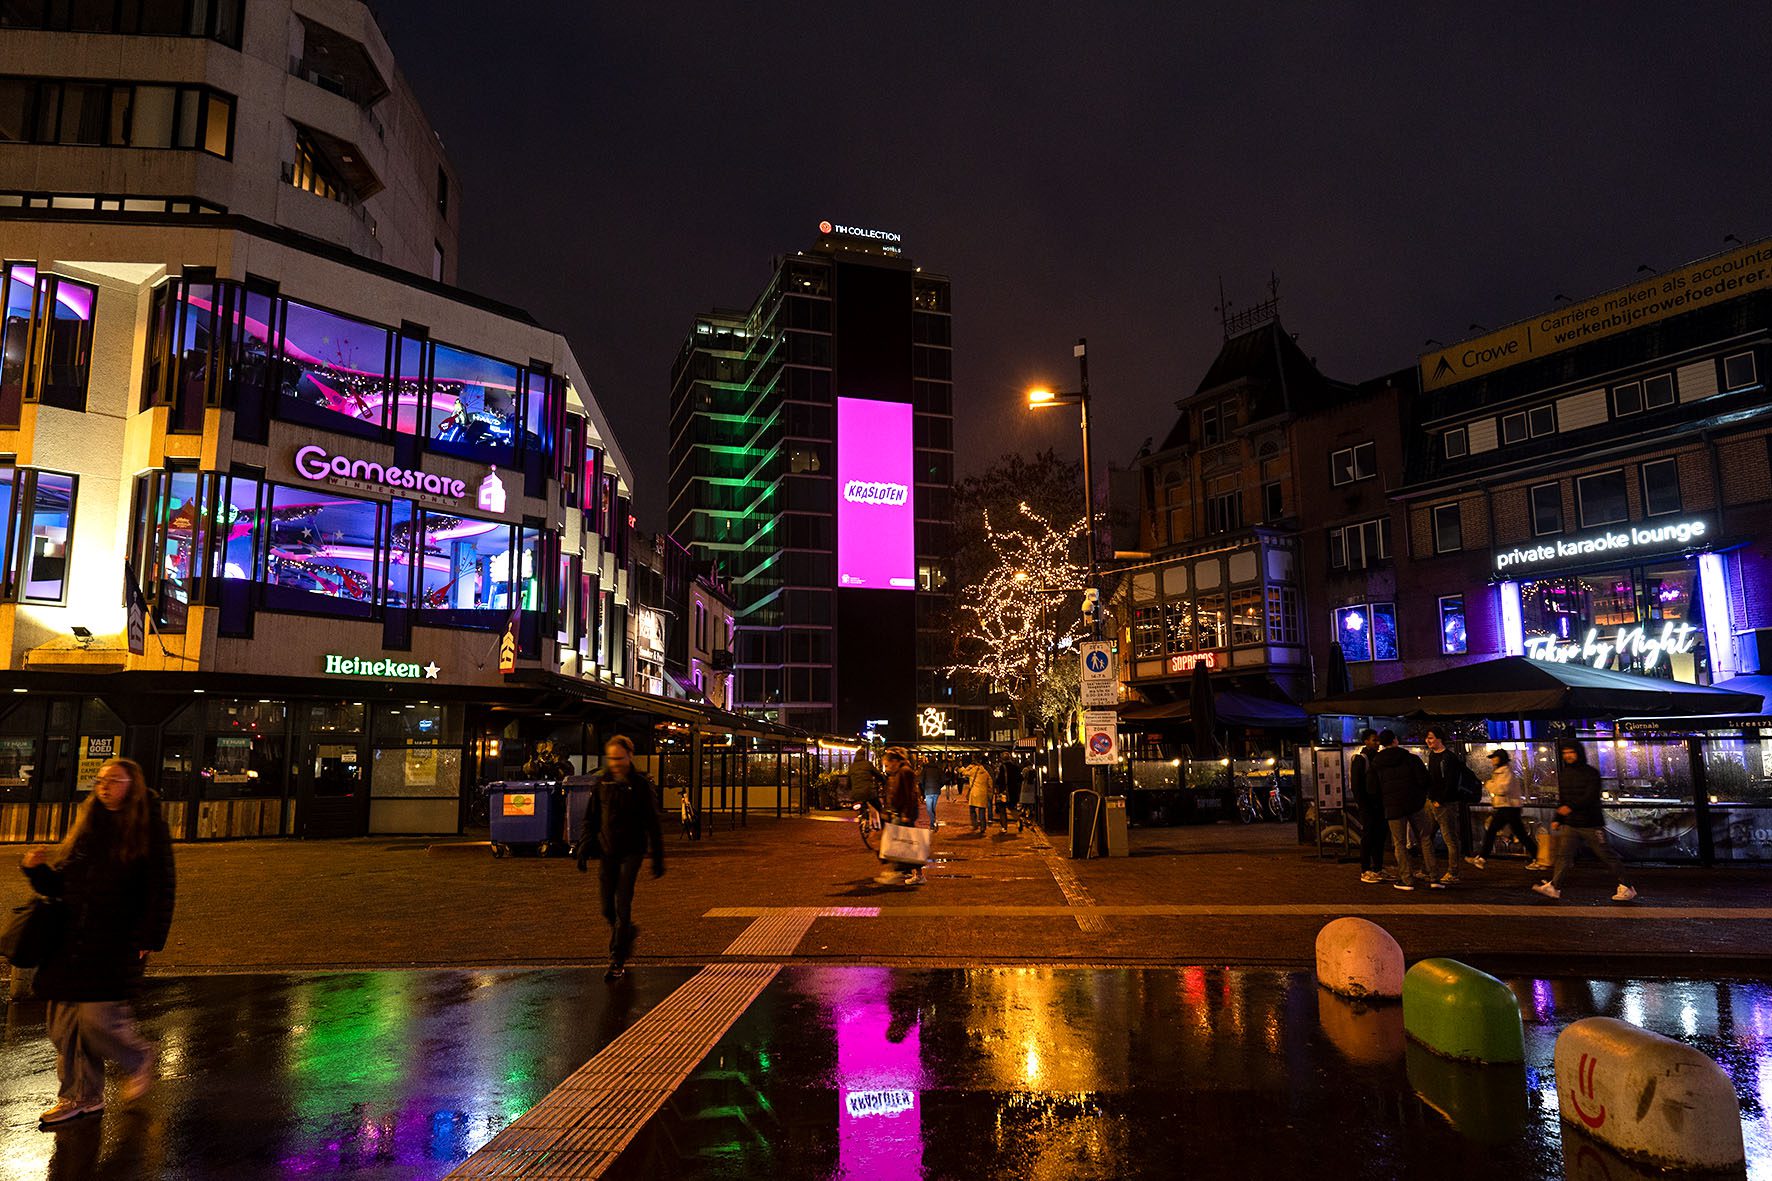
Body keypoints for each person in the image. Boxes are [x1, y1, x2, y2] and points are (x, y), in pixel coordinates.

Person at [21, 757, 175, 1127]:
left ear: (132, 785)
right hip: (69, 942)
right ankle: (80, 1097)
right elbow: (62, 885)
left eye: (114, 781)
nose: (104, 787)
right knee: (63, 1028)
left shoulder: (146, 829)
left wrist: (150, 936)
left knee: (95, 1023)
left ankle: (137, 1057)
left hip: (114, 941)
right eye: (101, 781)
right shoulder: (87, 827)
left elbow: (161, 886)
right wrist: (37, 871)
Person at [577, 735, 665, 981]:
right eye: (612, 758)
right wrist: (583, 849)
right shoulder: (602, 785)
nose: (615, 763)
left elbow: (652, 823)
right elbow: (590, 819)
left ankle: (617, 958)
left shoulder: (640, 785)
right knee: (607, 907)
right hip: (608, 852)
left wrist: (658, 857)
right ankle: (626, 932)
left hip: (632, 852)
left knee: (622, 904)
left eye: (619, 758)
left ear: (630, 756)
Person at [1533, 741, 1637, 903]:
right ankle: (1555, 886)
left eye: (1571, 752)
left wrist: (1569, 809)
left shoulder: (1591, 773)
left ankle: (1627, 886)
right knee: (1563, 856)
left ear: (1579, 753)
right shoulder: (1565, 774)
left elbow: (1590, 796)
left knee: (1605, 855)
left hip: (1591, 823)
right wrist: (1558, 818)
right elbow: (1564, 798)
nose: (1568, 755)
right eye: (1565, 752)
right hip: (1571, 823)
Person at [1370, 730, 1442, 890]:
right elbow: (1425, 780)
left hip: (1393, 807)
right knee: (1425, 838)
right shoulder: (1411, 759)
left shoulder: (1377, 763)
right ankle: (1433, 877)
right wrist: (1419, 795)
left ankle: (1406, 879)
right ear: (1395, 740)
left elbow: (1372, 788)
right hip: (1415, 804)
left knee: (1400, 843)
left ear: (1382, 743)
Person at [1423, 727, 1478, 885]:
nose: (1428, 741)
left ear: (1440, 739)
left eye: (1431, 738)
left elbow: (1450, 782)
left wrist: (1440, 799)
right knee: (1428, 836)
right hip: (1433, 801)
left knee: (1449, 838)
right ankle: (1428, 869)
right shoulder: (1433, 755)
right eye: (1427, 738)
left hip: (1445, 803)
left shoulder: (1448, 758)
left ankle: (1453, 872)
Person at [1471, 749, 1537, 868]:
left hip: (1508, 807)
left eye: (1494, 757)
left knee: (1494, 831)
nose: (1492, 760)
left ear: (1500, 758)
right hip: (1508, 807)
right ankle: (1537, 857)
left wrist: (1488, 784)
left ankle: (1482, 858)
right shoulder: (1501, 771)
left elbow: (1501, 790)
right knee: (1519, 833)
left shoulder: (1504, 772)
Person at [873, 748, 926, 886]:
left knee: (903, 844)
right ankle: (907, 871)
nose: (886, 768)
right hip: (899, 812)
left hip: (904, 813)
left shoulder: (905, 772)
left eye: (887, 764)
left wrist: (906, 814)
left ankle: (903, 872)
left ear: (895, 761)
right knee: (904, 843)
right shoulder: (898, 772)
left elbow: (909, 795)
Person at [964, 757, 994, 834]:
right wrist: (990, 792)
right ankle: (983, 827)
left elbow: (964, 772)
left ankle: (975, 823)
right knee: (982, 811)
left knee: (972, 809)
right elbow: (990, 783)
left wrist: (970, 766)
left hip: (974, 793)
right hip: (983, 794)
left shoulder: (973, 770)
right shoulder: (985, 772)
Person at [919, 756, 944, 830]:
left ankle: (932, 823)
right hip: (936, 791)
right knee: (932, 808)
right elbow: (943, 779)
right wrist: (939, 786)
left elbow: (921, 780)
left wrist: (924, 788)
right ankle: (932, 823)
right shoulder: (938, 769)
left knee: (929, 809)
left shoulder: (925, 769)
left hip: (928, 790)